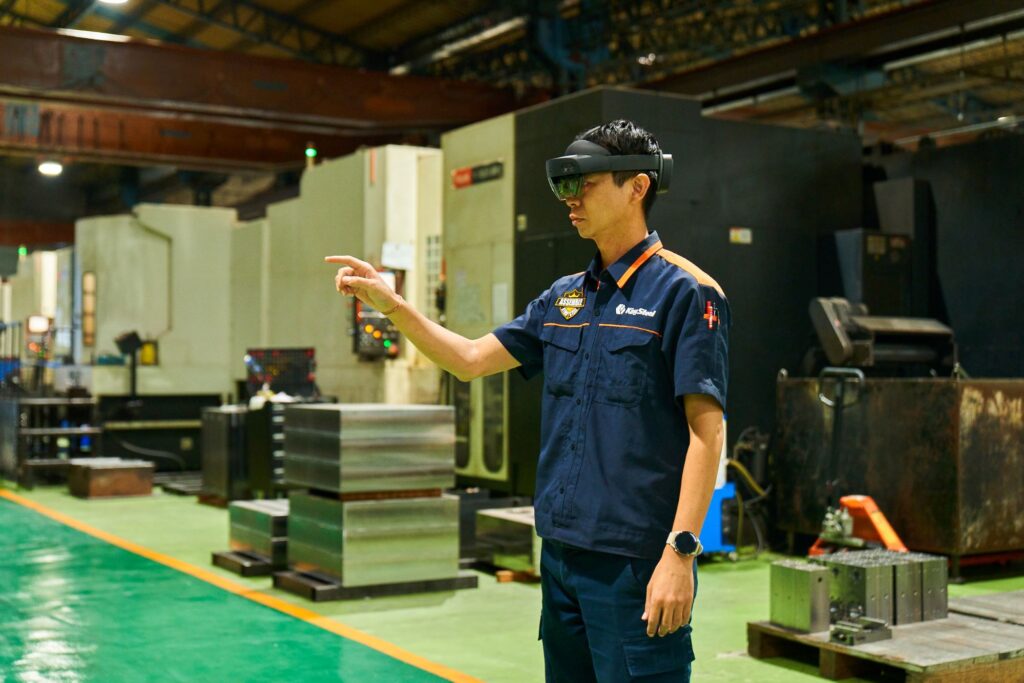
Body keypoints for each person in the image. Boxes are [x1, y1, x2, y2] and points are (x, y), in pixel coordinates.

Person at [326, 119, 729, 682]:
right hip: (562, 554)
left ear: (636, 187)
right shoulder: (562, 298)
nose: (570, 199)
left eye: (584, 184)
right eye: (564, 187)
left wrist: (681, 553)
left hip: (634, 562)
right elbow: (468, 360)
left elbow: (705, 433)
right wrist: (392, 306)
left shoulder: (686, 294)